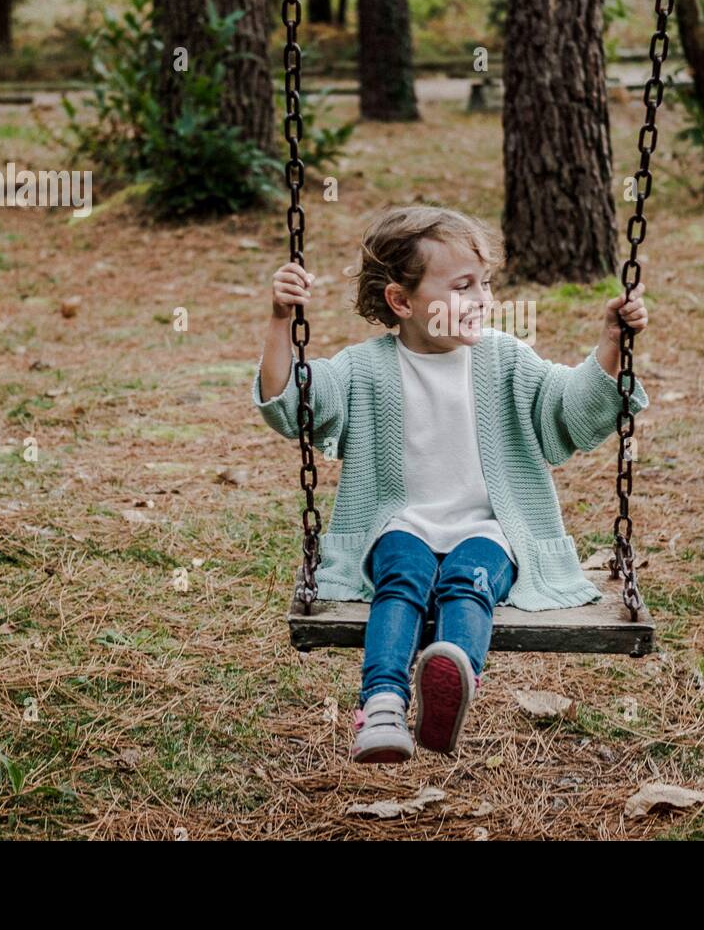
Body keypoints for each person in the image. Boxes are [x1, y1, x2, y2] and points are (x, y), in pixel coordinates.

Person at [254, 206, 649, 761]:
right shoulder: (364, 369)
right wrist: (279, 318)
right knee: (402, 576)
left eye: (485, 283)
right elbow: (290, 406)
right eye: (463, 286)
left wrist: (611, 344)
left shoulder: (505, 359)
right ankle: (383, 705)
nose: (483, 299)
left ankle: (451, 685)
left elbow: (570, 408)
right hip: (402, 522)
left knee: (470, 580)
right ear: (401, 301)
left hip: (489, 528)